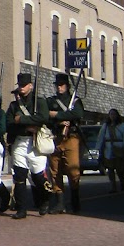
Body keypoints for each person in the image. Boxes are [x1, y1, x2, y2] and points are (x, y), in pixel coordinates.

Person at [5, 72, 50, 219]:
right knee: (19, 176)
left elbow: (43, 118)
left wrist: (21, 119)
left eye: (24, 86)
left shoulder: (40, 102)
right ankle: (21, 209)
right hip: (20, 141)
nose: (22, 88)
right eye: (20, 86)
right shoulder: (13, 105)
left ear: (30, 86)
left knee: (38, 177)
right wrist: (26, 126)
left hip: (36, 142)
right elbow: (10, 124)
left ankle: (45, 201)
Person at [45, 72, 84, 214]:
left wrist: (57, 115)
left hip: (71, 137)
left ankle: (75, 200)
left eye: (61, 85)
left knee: (73, 171)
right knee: (55, 171)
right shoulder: (51, 101)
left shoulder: (75, 101)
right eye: (57, 85)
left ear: (67, 86)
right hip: (56, 137)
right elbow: (46, 116)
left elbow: (78, 114)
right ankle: (59, 203)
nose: (59, 88)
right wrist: (58, 119)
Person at [97, 109, 124, 193]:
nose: (112, 116)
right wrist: (98, 148)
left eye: (114, 114)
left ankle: (122, 181)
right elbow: (101, 137)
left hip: (119, 149)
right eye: (111, 114)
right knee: (110, 169)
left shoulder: (122, 125)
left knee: (119, 169)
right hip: (108, 150)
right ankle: (113, 186)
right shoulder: (106, 126)